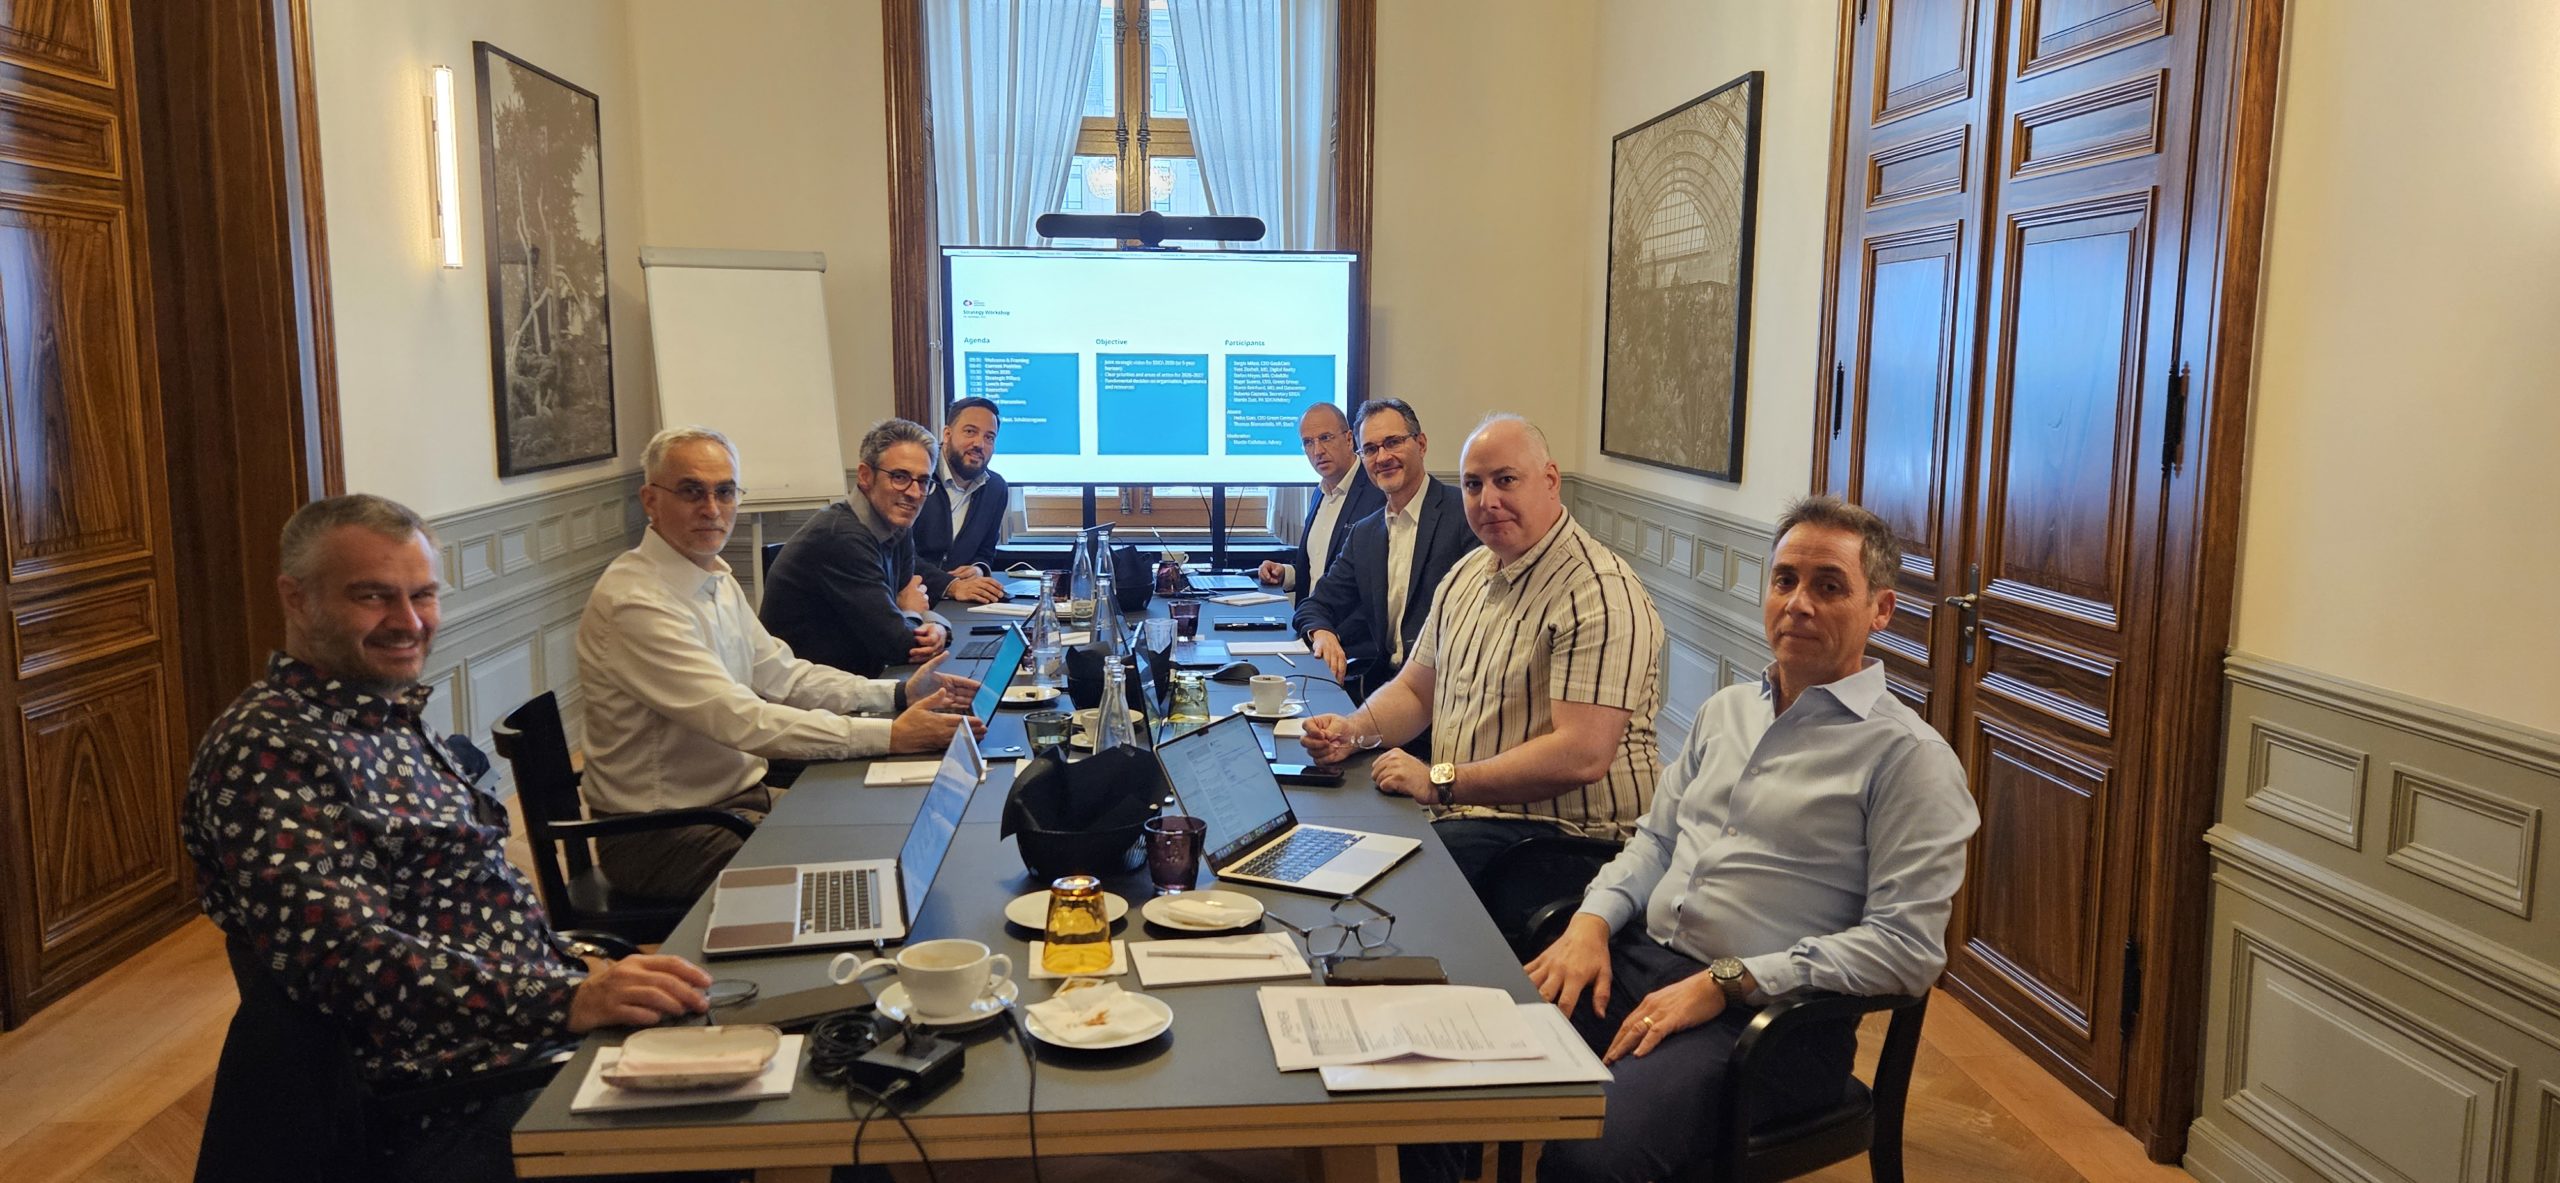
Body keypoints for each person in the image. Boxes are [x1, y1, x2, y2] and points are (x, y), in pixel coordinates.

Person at [184, 493, 717, 1183]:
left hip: (530, 1038)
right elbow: (344, 958)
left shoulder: (381, 714)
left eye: (423, 595)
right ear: (297, 598)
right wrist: (564, 1000)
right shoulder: (270, 748)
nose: (408, 621)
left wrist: (575, 978)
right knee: (777, 1139)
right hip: (456, 1102)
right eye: (373, 596)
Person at [1523, 495, 1979, 1182]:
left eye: (1829, 586)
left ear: (1880, 610)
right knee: (1466, 1066)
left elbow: (1907, 950)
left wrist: (1729, 981)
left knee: (1590, 1158)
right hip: (1639, 963)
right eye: (1785, 579)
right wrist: (1591, 922)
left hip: (1767, 1027)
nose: (1798, 603)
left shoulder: (1909, 759)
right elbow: (1655, 842)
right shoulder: (1725, 712)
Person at [580, 425, 982, 901]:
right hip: (667, 835)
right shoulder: (637, 602)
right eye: (691, 491)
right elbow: (742, 719)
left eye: (725, 491)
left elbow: (784, 675)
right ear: (651, 500)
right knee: (856, 885)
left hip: (735, 805)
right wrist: (892, 734)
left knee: (886, 838)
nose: (712, 508)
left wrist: (897, 693)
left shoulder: (712, 576)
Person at [1300, 413, 1664, 887]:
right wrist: (1353, 731)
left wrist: (1439, 779)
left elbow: (1582, 754)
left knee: (1388, 885)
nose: (1488, 500)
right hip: (1474, 816)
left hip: (1573, 842)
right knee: (1339, 839)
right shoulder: (1469, 573)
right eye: (1473, 485)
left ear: (1550, 480)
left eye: (1506, 480)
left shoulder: (1599, 591)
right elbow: (1416, 691)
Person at [1292, 398, 1480, 701]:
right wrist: (1322, 633)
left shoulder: (1466, 514)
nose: (1382, 457)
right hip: (1380, 690)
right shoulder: (1366, 533)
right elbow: (1315, 606)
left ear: (1421, 444)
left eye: (1393, 443)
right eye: (1370, 449)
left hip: (1449, 695)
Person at [762, 417, 955, 676]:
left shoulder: (897, 525)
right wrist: (913, 613)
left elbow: (907, 604)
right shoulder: (841, 537)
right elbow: (898, 644)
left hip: (854, 677)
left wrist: (936, 626)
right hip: (807, 691)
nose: (913, 493)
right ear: (865, 476)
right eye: (899, 477)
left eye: (923, 481)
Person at [1257, 401, 1382, 594]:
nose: (1318, 451)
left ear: (1349, 439)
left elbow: (1370, 582)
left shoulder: (1377, 493)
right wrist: (1286, 574)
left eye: (1325, 438)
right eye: (1308, 442)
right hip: (1311, 612)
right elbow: (1320, 570)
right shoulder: (1319, 493)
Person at [913, 396, 1012, 604]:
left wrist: (978, 570)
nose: (979, 444)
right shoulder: (917, 477)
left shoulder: (996, 489)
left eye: (989, 437)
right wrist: (951, 585)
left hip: (960, 602)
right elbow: (898, 555)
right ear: (947, 434)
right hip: (910, 599)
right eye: (970, 432)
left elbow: (985, 552)